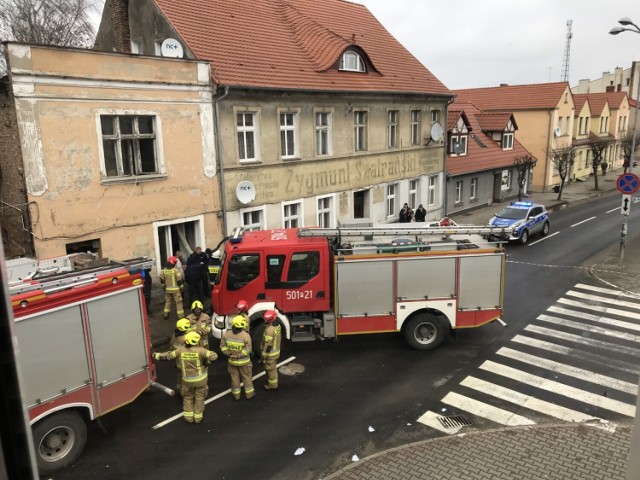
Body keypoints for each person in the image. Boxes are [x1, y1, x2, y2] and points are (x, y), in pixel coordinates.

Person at [153, 331, 218, 424]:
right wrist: (206, 362)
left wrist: (154, 354)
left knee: (188, 397)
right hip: (201, 380)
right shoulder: (201, 350)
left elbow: (167, 356)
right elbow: (214, 356)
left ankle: (188, 417)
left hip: (187, 380)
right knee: (199, 397)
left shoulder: (180, 350)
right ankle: (198, 417)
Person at [220, 315, 254, 400]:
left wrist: (229, 353)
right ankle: (249, 395)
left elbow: (222, 346)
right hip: (244, 362)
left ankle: (236, 396)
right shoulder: (246, 336)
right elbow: (248, 349)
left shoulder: (227, 334)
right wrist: (239, 355)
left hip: (232, 361)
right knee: (247, 377)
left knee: (234, 379)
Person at [260, 310, 282, 391]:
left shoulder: (269, 330)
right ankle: (274, 382)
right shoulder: (277, 326)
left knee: (270, 370)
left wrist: (263, 355)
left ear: (269, 320)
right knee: (273, 368)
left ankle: (273, 385)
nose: (264, 320)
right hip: (276, 351)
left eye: (265, 318)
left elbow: (268, 345)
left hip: (270, 355)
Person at [170, 318, 191, 393]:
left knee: (180, 375)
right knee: (186, 378)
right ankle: (184, 392)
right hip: (186, 363)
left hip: (178, 362)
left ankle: (179, 387)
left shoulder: (174, 335)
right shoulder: (186, 338)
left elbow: (172, 347)